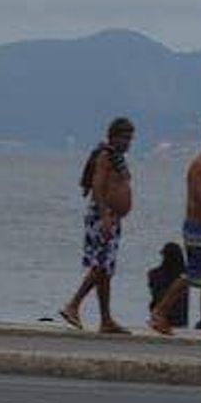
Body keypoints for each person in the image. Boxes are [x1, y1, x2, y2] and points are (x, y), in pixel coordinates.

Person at [149, 122, 201, 337]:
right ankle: (159, 312)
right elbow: (200, 199)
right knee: (194, 273)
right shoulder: (200, 165)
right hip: (200, 228)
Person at [60, 116, 135, 334]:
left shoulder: (117, 158)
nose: (128, 142)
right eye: (125, 137)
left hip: (112, 217)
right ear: (113, 136)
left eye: (131, 138)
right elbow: (98, 185)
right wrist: (104, 217)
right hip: (104, 216)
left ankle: (106, 319)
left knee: (106, 270)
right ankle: (73, 305)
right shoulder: (106, 155)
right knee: (101, 265)